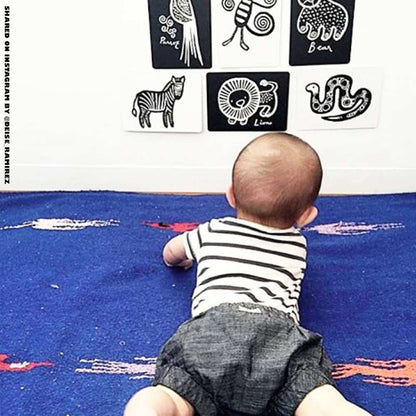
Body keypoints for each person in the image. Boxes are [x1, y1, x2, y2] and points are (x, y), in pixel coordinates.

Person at [124, 133, 373, 416]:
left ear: (231, 194)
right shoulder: (297, 244)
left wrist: (179, 261)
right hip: (278, 338)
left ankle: (151, 409)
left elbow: (172, 252)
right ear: (306, 216)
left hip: (212, 330)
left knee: (176, 392)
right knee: (313, 395)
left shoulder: (212, 230)